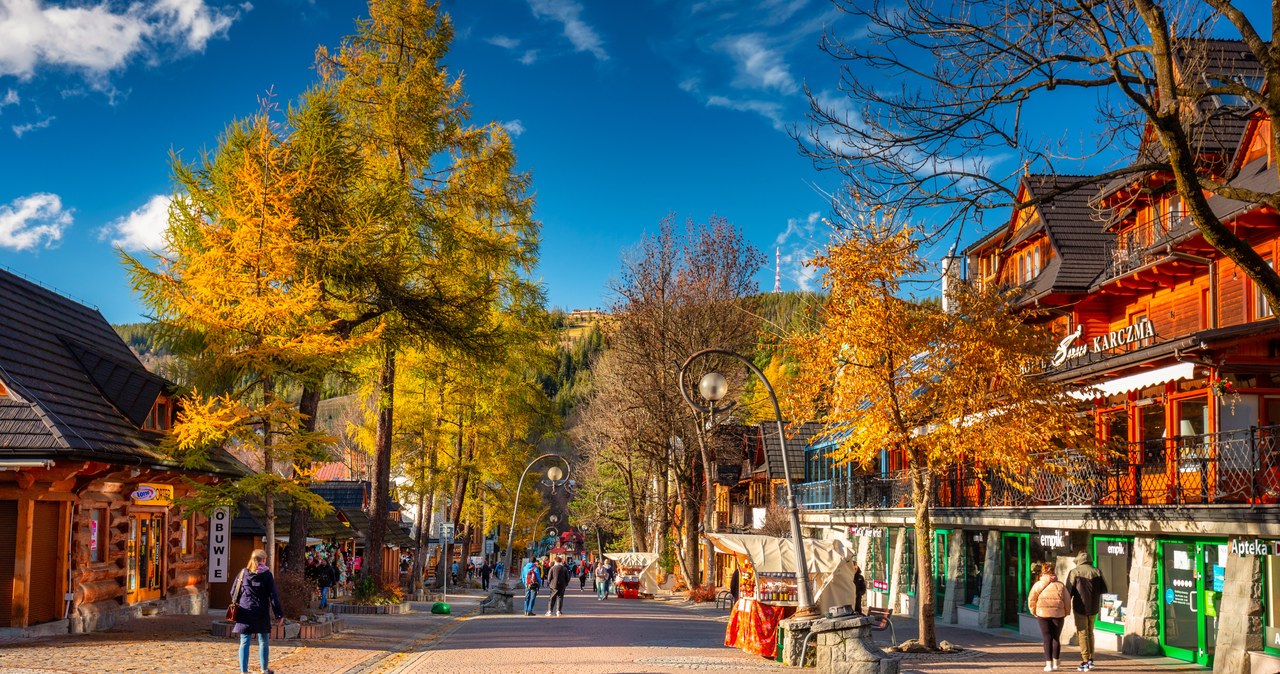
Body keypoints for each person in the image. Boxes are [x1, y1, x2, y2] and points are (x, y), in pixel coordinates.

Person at [230, 549, 284, 674]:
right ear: (263, 560)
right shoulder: (267, 575)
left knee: (244, 641)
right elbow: (273, 596)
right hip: (261, 611)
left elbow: (233, 592)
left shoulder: (243, 573)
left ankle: (244, 671)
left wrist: (241, 601)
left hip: (245, 611)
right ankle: (264, 669)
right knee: (263, 640)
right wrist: (279, 614)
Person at [1066, 551, 1108, 672]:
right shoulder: (1097, 571)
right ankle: (1091, 659)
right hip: (1094, 607)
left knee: (1082, 633)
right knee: (1090, 632)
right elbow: (1104, 589)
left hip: (1080, 607)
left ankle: (1085, 660)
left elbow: (1069, 592)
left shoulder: (1074, 572)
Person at [1028, 561, 1071, 672]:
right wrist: (1066, 612)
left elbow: (1031, 599)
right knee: (1056, 638)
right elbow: (1067, 601)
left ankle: (1049, 665)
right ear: (1053, 572)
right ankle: (1056, 664)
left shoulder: (1038, 585)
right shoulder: (1060, 585)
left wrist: (1033, 611)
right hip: (1058, 614)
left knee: (1047, 638)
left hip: (1042, 613)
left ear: (1043, 571)